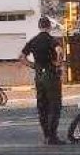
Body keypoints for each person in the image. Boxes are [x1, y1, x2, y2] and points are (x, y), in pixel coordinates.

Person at [19, 17, 64, 145]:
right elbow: (59, 51)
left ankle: (46, 135)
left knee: (42, 105)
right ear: (49, 27)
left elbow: (21, 57)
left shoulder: (33, 41)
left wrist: (33, 65)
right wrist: (57, 63)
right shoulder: (51, 40)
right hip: (51, 74)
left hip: (39, 74)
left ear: (39, 26)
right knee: (54, 105)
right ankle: (52, 136)